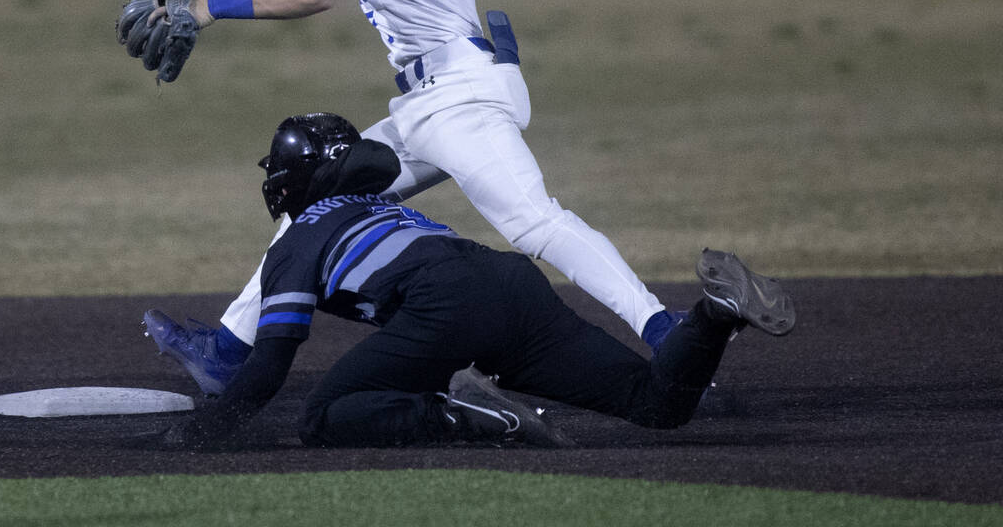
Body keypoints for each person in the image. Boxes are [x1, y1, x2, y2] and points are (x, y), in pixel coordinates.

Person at [120, 0, 683, 394]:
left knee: (534, 222)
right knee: (314, 205)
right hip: (429, 102)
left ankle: (663, 331)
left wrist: (203, 8)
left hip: (460, 101)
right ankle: (228, 352)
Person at [139, 113, 795, 449]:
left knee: (324, 417)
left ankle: (460, 412)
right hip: (510, 281)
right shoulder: (382, 207)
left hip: (442, 304)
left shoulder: (298, 239)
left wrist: (205, 431)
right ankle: (712, 314)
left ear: (296, 181)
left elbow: (271, 366)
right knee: (659, 404)